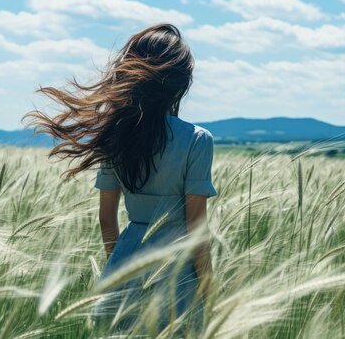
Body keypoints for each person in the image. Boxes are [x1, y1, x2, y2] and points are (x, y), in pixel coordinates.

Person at [25, 23, 217, 336]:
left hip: (123, 267)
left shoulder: (117, 137)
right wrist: (209, 290)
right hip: (176, 277)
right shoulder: (197, 140)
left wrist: (119, 271)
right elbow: (197, 228)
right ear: (181, 84)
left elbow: (106, 220)